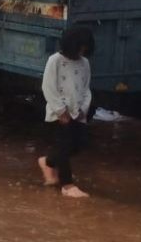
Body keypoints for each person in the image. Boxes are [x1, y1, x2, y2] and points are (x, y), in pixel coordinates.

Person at [38, 26, 95, 198]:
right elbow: (48, 87)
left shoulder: (85, 63)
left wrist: (84, 108)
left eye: (85, 48)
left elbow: (86, 88)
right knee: (63, 147)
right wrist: (61, 111)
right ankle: (67, 185)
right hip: (58, 114)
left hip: (78, 113)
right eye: (80, 47)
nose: (81, 51)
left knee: (79, 145)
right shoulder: (55, 61)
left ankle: (47, 161)